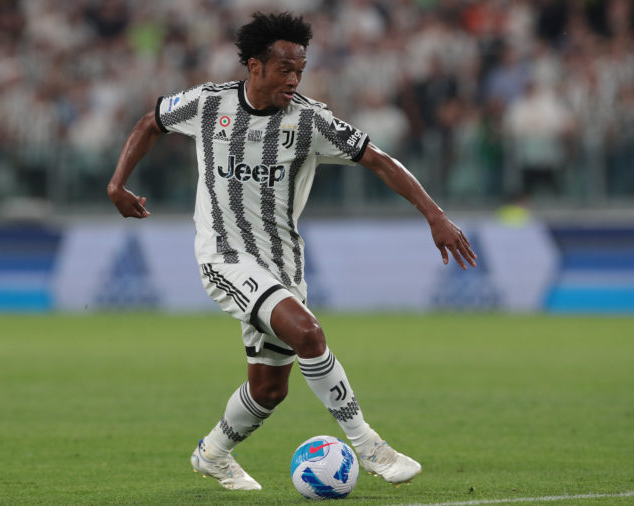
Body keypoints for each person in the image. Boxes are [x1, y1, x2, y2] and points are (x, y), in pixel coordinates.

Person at [108, 12, 476, 491]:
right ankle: (370, 447)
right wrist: (117, 184)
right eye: (285, 69)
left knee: (268, 390)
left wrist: (435, 215)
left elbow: (379, 161)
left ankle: (213, 453)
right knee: (308, 333)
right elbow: (149, 122)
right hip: (224, 257)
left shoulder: (310, 120)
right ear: (255, 66)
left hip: (283, 266)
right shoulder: (208, 103)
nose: (294, 79)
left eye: (300, 70)